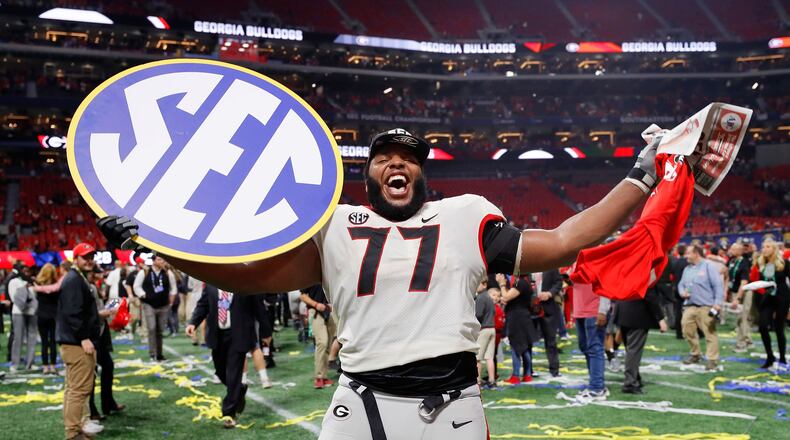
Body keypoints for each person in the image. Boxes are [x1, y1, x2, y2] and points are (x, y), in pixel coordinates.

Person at [100, 127, 660, 439]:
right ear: (366, 174)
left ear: (422, 173)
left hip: (451, 404)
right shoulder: (335, 224)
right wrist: (155, 245)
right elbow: (247, 276)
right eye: (384, 158)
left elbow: (562, 241)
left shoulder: (465, 215)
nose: (398, 164)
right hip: (362, 397)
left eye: (409, 159)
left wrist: (640, 177)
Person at [186, 285, 267, 428]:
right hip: (217, 335)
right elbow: (203, 305)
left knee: (233, 374)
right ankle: (239, 390)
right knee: (220, 372)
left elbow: (258, 307)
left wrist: (266, 332)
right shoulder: (211, 285)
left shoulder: (244, 284)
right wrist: (193, 322)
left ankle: (229, 413)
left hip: (239, 334)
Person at [57, 243, 102, 439]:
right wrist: (84, 337)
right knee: (78, 390)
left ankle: (76, 428)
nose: (89, 260)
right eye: (85, 257)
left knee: (73, 389)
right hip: (76, 343)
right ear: (75, 259)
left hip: (72, 342)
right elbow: (73, 312)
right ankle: (73, 433)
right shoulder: (74, 279)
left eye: (91, 256)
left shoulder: (75, 277)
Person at [741, 240, 788, 368]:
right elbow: (759, 281)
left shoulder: (783, 262)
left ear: (774, 249)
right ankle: (770, 356)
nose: (764, 249)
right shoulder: (761, 263)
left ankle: (782, 357)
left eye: (768, 247)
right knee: (762, 326)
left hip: (782, 297)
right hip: (768, 297)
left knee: (779, 328)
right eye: (763, 247)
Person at [678, 245, 725, 371]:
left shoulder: (709, 266)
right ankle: (695, 353)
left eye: (688, 253)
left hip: (706, 306)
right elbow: (681, 284)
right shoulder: (687, 269)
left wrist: (718, 303)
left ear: (696, 254)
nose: (686, 256)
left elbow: (718, 285)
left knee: (709, 333)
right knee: (686, 330)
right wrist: (682, 292)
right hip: (690, 305)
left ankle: (712, 359)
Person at [87, 266, 125, 420]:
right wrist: (101, 313)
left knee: (108, 366)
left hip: (100, 332)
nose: (99, 276)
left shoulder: (93, 286)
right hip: (90, 334)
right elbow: (84, 312)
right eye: (96, 273)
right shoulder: (84, 286)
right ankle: (91, 409)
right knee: (91, 372)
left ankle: (108, 403)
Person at [616, 288, 668, 394]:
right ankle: (630, 382)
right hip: (637, 315)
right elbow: (650, 297)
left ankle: (635, 378)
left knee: (630, 350)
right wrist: (660, 318)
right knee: (634, 351)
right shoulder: (644, 278)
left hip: (623, 312)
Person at [571, 275, 611, 400]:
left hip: (595, 309)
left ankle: (597, 387)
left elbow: (606, 282)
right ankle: (595, 383)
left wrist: (603, 310)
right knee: (584, 347)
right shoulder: (575, 264)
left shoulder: (598, 262)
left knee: (595, 348)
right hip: (580, 309)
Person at [132, 254, 177, 361]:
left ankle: (159, 354)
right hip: (149, 304)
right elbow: (136, 286)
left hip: (163, 305)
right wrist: (143, 295)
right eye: (160, 259)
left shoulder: (168, 273)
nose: (162, 262)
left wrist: (171, 300)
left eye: (163, 260)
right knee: (151, 328)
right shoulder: (145, 272)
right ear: (153, 261)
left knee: (160, 330)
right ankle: (153, 354)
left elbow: (173, 288)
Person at [499, 274, 536, 384]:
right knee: (524, 347)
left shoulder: (521, 283)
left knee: (517, 346)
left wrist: (502, 284)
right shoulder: (524, 282)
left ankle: (516, 375)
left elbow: (506, 297)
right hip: (522, 317)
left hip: (518, 318)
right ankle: (527, 374)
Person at [301, 284, 337, 389]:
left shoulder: (330, 275)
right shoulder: (311, 277)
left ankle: (324, 376)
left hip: (330, 310)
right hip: (316, 311)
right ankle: (319, 377)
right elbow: (302, 296)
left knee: (328, 344)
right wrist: (316, 304)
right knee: (322, 343)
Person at [32, 263, 64, 374]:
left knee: (44, 342)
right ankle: (53, 366)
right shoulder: (56, 285)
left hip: (41, 315)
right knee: (53, 342)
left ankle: (45, 367)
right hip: (53, 315)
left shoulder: (38, 284)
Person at [9, 264, 37, 371]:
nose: (26, 273)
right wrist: (25, 289)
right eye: (24, 271)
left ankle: (30, 362)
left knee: (32, 338)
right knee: (18, 338)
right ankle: (15, 363)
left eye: (28, 271)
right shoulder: (14, 282)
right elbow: (14, 298)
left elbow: (35, 298)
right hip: (18, 312)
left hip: (31, 312)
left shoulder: (32, 282)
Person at [728, 242, 753, 352]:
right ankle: (748, 341)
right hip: (735, 291)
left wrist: (738, 298)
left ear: (740, 251)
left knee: (742, 318)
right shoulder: (732, 261)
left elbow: (744, 282)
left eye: (733, 249)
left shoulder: (744, 263)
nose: (731, 250)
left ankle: (742, 343)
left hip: (744, 292)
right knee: (740, 318)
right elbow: (728, 276)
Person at [474, 279, 496, 387]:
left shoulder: (481, 297)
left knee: (478, 358)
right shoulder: (488, 297)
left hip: (484, 329)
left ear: (484, 284)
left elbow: (478, 314)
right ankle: (492, 380)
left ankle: (478, 380)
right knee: (489, 357)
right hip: (492, 328)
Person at [669, 245, 689, 339]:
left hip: (676, 287)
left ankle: (679, 333)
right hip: (687, 289)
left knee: (678, 311)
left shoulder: (674, 262)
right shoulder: (687, 263)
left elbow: (672, 274)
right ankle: (697, 332)